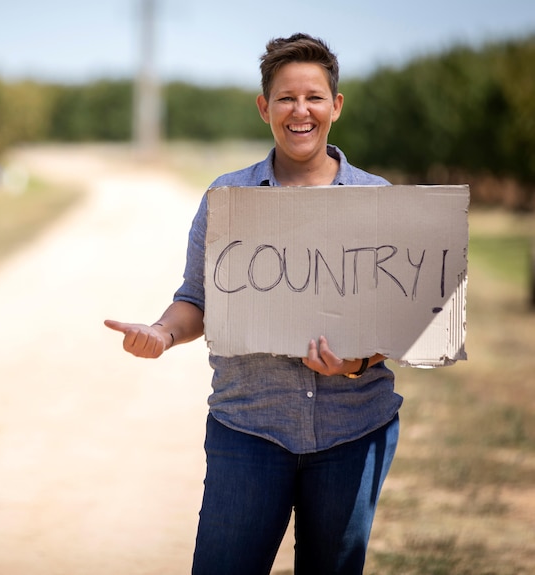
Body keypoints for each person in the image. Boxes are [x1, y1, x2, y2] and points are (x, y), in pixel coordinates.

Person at [104, 33, 402, 575]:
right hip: (249, 428)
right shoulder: (228, 199)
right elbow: (195, 298)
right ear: (265, 107)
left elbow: (406, 323)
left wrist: (356, 364)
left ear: (336, 105)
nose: (300, 110)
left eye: (313, 96)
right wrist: (163, 333)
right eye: (286, 98)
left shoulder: (380, 201)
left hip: (353, 430)